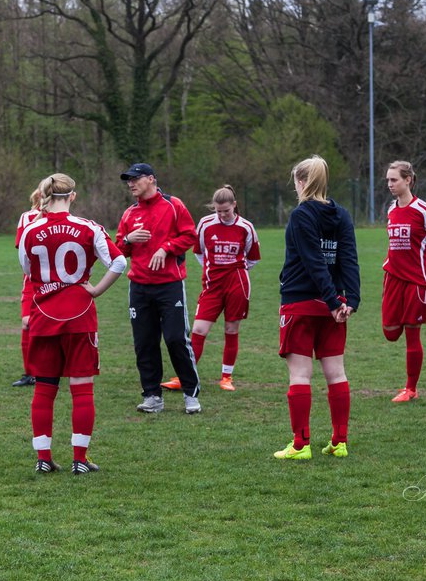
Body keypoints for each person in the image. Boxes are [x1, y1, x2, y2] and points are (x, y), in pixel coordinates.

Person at [18, 173, 126, 474]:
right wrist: (95, 289)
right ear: (72, 197)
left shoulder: (30, 230)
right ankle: (80, 458)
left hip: (43, 316)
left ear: (44, 196)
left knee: (44, 388)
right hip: (80, 316)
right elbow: (119, 262)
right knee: (82, 389)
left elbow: (27, 270)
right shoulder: (88, 227)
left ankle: (43, 458)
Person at [273, 155, 361, 460]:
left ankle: (300, 445)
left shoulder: (301, 215)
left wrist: (336, 301)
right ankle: (340, 442)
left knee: (300, 375)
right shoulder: (343, 215)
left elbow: (313, 263)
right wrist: (350, 301)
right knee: (336, 373)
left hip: (302, 303)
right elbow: (348, 259)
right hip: (333, 306)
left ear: (301, 182)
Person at [115, 162, 201, 415]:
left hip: (169, 285)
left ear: (151, 179)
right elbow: (119, 250)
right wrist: (128, 240)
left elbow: (190, 235)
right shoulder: (129, 213)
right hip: (139, 287)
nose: (131, 183)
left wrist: (167, 247)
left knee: (175, 338)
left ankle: (190, 393)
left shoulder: (174, 205)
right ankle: (152, 395)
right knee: (144, 342)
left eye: (135, 179)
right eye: (128, 180)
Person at [163, 185, 260, 392]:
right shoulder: (205, 224)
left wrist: (235, 270)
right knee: (198, 330)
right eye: (218, 211)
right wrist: (213, 268)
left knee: (231, 329)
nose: (222, 214)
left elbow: (252, 258)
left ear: (234, 205)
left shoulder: (246, 227)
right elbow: (198, 252)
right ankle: (184, 377)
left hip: (237, 284)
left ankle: (226, 377)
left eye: (226, 210)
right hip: (212, 285)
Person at [381, 161, 426, 402]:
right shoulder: (391, 209)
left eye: (394, 180)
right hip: (393, 278)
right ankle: (410, 388)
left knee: (412, 333)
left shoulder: (425, 210)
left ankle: (411, 388)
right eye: (387, 180)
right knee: (390, 332)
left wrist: (417, 265)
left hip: (417, 281)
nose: (389, 184)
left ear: (408, 180)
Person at [11, 186, 44, 388]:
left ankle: (53, 369)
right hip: (33, 280)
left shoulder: (67, 219)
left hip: (58, 281)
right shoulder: (27, 217)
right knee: (28, 323)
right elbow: (22, 246)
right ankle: (30, 372)